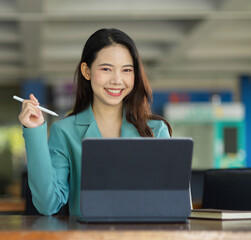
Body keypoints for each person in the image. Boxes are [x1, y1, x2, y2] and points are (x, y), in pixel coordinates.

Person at [17, 28, 172, 216]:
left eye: (127, 70)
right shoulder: (65, 131)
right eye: (106, 69)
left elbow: (169, 203)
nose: (117, 80)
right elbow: (48, 204)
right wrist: (34, 132)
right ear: (86, 71)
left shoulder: (155, 130)